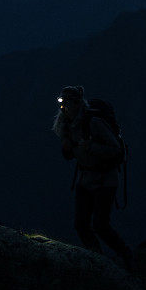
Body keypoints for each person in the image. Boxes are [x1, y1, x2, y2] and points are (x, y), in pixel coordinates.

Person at [52, 85, 135, 273]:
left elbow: (115, 150)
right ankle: (97, 260)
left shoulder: (94, 123)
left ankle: (126, 255)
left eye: (66, 103)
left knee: (100, 225)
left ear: (76, 103)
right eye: (61, 103)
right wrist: (68, 149)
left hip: (105, 179)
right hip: (85, 178)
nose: (63, 107)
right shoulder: (66, 125)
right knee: (81, 224)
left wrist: (91, 147)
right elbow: (70, 154)